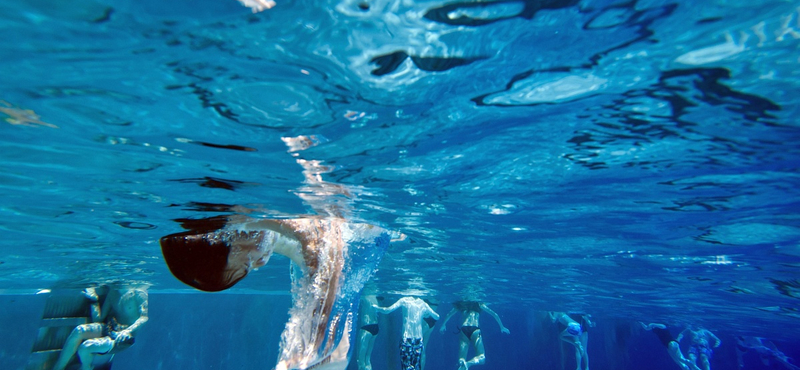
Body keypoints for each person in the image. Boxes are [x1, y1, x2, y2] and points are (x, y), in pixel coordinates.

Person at [52, 284, 149, 370]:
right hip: (109, 328)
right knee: (79, 330)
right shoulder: (113, 291)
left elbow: (144, 318)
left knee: (85, 347)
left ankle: (86, 368)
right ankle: (59, 367)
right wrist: (93, 299)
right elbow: (99, 319)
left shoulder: (138, 293)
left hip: (123, 339)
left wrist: (127, 331)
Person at [372, 297, 440, 370]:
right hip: (418, 341)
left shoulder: (404, 300)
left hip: (407, 339)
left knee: (406, 367)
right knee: (416, 367)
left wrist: (375, 307)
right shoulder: (423, 304)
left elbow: (387, 310)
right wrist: (426, 314)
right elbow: (437, 317)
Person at [439, 301, 510, 370]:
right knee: (482, 358)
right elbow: (495, 314)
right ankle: (468, 364)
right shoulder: (479, 304)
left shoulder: (462, 304)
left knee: (461, 359)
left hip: (464, 329)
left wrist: (443, 325)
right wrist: (502, 327)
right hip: (475, 329)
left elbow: (449, 314)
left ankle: (463, 364)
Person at [736, 336, 800, 370]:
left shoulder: (763, 349)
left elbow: (781, 359)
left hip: (761, 348)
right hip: (762, 348)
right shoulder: (764, 349)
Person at [356, 295, 381, 370]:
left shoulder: (364, 296)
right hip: (375, 327)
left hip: (366, 327)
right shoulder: (376, 297)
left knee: (360, 359)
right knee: (367, 358)